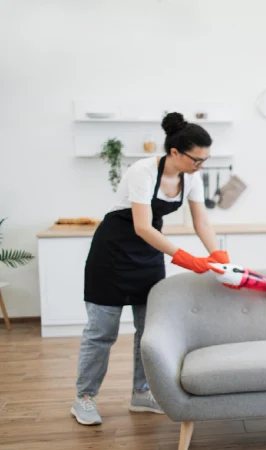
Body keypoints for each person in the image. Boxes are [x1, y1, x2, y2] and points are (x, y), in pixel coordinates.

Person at [71, 112, 230, 426]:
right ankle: (84, 398)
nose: (201, 166)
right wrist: (186, 258)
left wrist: (218, 255)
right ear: (174, 152)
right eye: (197, 159)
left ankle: (142, 393)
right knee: (101, 332)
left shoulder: (192, 178)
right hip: (112, 254)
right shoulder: (143, 171)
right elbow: (142, 226)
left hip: (148, 255)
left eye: (205, 159)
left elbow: (202, 222)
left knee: (149, 332)